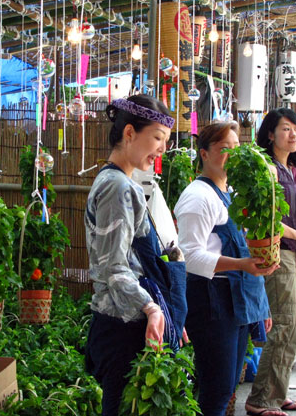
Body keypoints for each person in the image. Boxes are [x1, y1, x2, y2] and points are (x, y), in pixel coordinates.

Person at [84, 95, 186, 416]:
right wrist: (153, 309)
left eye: (165, 141)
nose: (161, 148)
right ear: (129, 133)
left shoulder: (117, 181)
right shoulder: (117, 187)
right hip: (123, 326)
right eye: (157, 137)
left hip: (120, 322)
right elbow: (115, 268)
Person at [174, 121, 278, 416]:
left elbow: (245, 247)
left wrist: (261, 305)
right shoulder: (197, 197)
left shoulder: (231, 192)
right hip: (211, 300)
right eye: (223, 149)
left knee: (229, 384)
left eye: (235, 149)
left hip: (236, 301)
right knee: (216, 387)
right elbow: (190, 257)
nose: (231, 155)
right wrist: (242, 265)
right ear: (204, 154)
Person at [245, 108, 296, 416]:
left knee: (292, 325)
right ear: (270, 134)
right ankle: (261, 399)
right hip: (278, 254)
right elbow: (269, 222)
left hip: (293, 252)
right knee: (283, 324)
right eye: (285, 129)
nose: (293, 134)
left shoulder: (289, 169)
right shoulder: (267, 169)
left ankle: (277, 393)